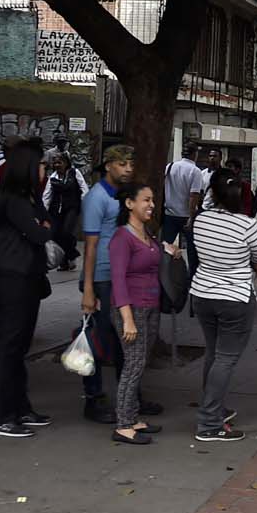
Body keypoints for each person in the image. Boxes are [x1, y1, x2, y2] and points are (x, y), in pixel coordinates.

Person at [188, 167, 257, 442]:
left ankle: (214, 407)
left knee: (213, 353)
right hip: (234, 297)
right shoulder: (248, 225)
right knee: (225, 358)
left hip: (202, 294)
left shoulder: (200, 220)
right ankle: (210, 422)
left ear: (213, 193)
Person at [0, 140, 54, 438]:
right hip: (14, 277)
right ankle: (1, 415)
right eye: (41, 165)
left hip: (29, 276)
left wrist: (43, 225)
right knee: (9, 345)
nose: (45, 171)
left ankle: (20, 406)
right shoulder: (14, 199)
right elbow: (40, 232)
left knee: (21, 346)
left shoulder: (30, 197)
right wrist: (43, 226)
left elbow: (46, 224)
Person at [79, 145, 137, 424]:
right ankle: (93, 399)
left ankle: (129, 397)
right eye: (122, 163)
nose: (127, 168)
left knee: (124, 339)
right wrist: (88, 288)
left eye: (130, 164)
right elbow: (90, 246)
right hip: (102, 277)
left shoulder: (125, 195)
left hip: (122, 277)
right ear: (108, 166)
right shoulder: (96, 198)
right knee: (97, 342)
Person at [109, 183, 169, 445]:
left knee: (139, 363)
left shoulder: (146, 233)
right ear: (129, 204)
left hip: (150, 306)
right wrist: (127, 319)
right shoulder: (122, 237)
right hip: (131, 309)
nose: (151, 205)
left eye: (153, 199)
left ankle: (133, 418)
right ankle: (123, 424)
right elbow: (118, 279)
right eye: (146, 200)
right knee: (132, 365)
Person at [43, 150, 84, 271]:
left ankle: (71, 256)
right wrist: (43, 214)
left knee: (66, 232)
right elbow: (46, 196)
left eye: (59, 162)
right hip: (56, 210)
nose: (57, 165)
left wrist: (85, 206)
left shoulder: (75, 173)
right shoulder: (52, 178)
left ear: (66, 163)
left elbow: (83, 188)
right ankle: (65, 261)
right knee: (55, 234)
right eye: (55, 163)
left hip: (71, 208)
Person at [162, 143, 207, 244]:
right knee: (192, 249)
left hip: (169, 215)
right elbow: (193, 196)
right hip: (186, 216)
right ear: (195, 154)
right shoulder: (195, 171)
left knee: (165, 246)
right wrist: (191, 217)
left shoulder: (170, 166)